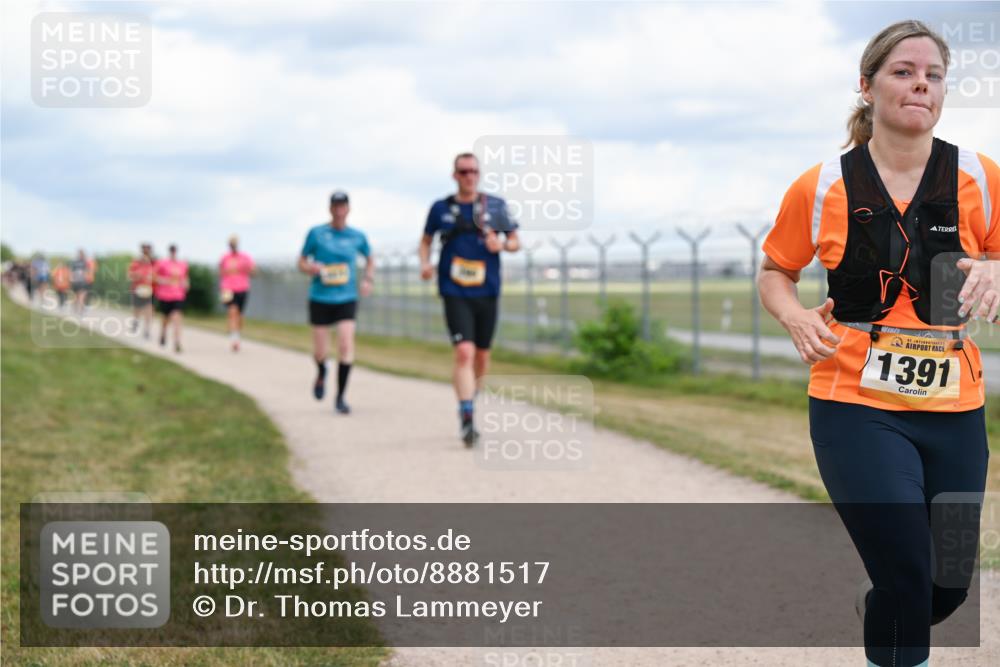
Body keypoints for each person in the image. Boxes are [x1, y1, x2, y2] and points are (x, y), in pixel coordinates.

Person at [758, 20, 998, 667]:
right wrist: (793, 315)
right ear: (866, 85)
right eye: (903, 71)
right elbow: (775, 270)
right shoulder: (822, 186)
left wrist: (995, 268)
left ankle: (886, 603)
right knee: (905, 569)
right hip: (853, 401)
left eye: (934, 74)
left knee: (944, 585)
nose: (921, 82)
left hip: (955, 408)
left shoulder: (980, 174)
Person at [418, 152, 520, 447]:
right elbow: (425, 241)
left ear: (479, 174)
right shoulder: (440, 208)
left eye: (473, 171)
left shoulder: (495, 205)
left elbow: (515, 242)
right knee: (464, 352)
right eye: (463, 171)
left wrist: (500, 243)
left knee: (482, 357)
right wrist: (425, 264)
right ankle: (466, 415)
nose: (469, 176)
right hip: (454, 290)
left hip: (487, 290)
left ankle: (470, 396)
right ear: (454, 175)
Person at [298, 191, 374, 414]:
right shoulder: (317, 234)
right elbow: (301, 261)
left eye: (343, 206)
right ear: (330, 209)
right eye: (335, 206)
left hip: (346, 298)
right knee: (321, 351)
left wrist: (368, 279)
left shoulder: (357, 236)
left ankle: (340, 396)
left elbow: (370, 258)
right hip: (320, 297)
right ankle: (322, 371)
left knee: (345, 345)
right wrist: (310, 268)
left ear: (349, 209)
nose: (339, 210)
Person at [218, 235, 256, 352]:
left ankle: (237, 335)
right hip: (227, 288)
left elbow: (254, 272)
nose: (233, 246)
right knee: (232, 311)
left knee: (239, 314)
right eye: (231, 244)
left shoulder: (245, 257)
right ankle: (234, 339)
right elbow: (220, 272)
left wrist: (247, 269)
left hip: (242, 288)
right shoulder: (225, 258)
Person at [154, 244, 189, 353]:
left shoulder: (182, 264)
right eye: (172, 251)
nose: (173, 253)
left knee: (177, 317)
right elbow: (154, 277)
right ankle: (163, 333)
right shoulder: (162, 263)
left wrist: (186, 284)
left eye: (175, 251)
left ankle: (177, 342)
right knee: (166, 318)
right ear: (169, 251)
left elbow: (185, 278)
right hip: (165, 295)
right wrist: (163, 281)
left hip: (178, 295)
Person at [128, 243, 155, 339]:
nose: (146, 253)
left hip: (149, 290)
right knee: (137, 309)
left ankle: (147, 330)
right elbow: (129, 275)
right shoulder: (136, 263)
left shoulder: (153, 263)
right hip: (137, 289)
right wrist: (138, 275)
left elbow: (157, 276)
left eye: (148, 251)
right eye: (144, 251)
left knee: (149, 310)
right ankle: (135, 323)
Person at [69, 249, 95, 314]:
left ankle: (75, 309)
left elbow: (71, 272)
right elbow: (89, 271)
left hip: (75, 281)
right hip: (82, 281)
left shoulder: (74, 263)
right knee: (82, 296)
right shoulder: (86, 263)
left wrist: (71, 280)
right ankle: (81, 311)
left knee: (76, 296)